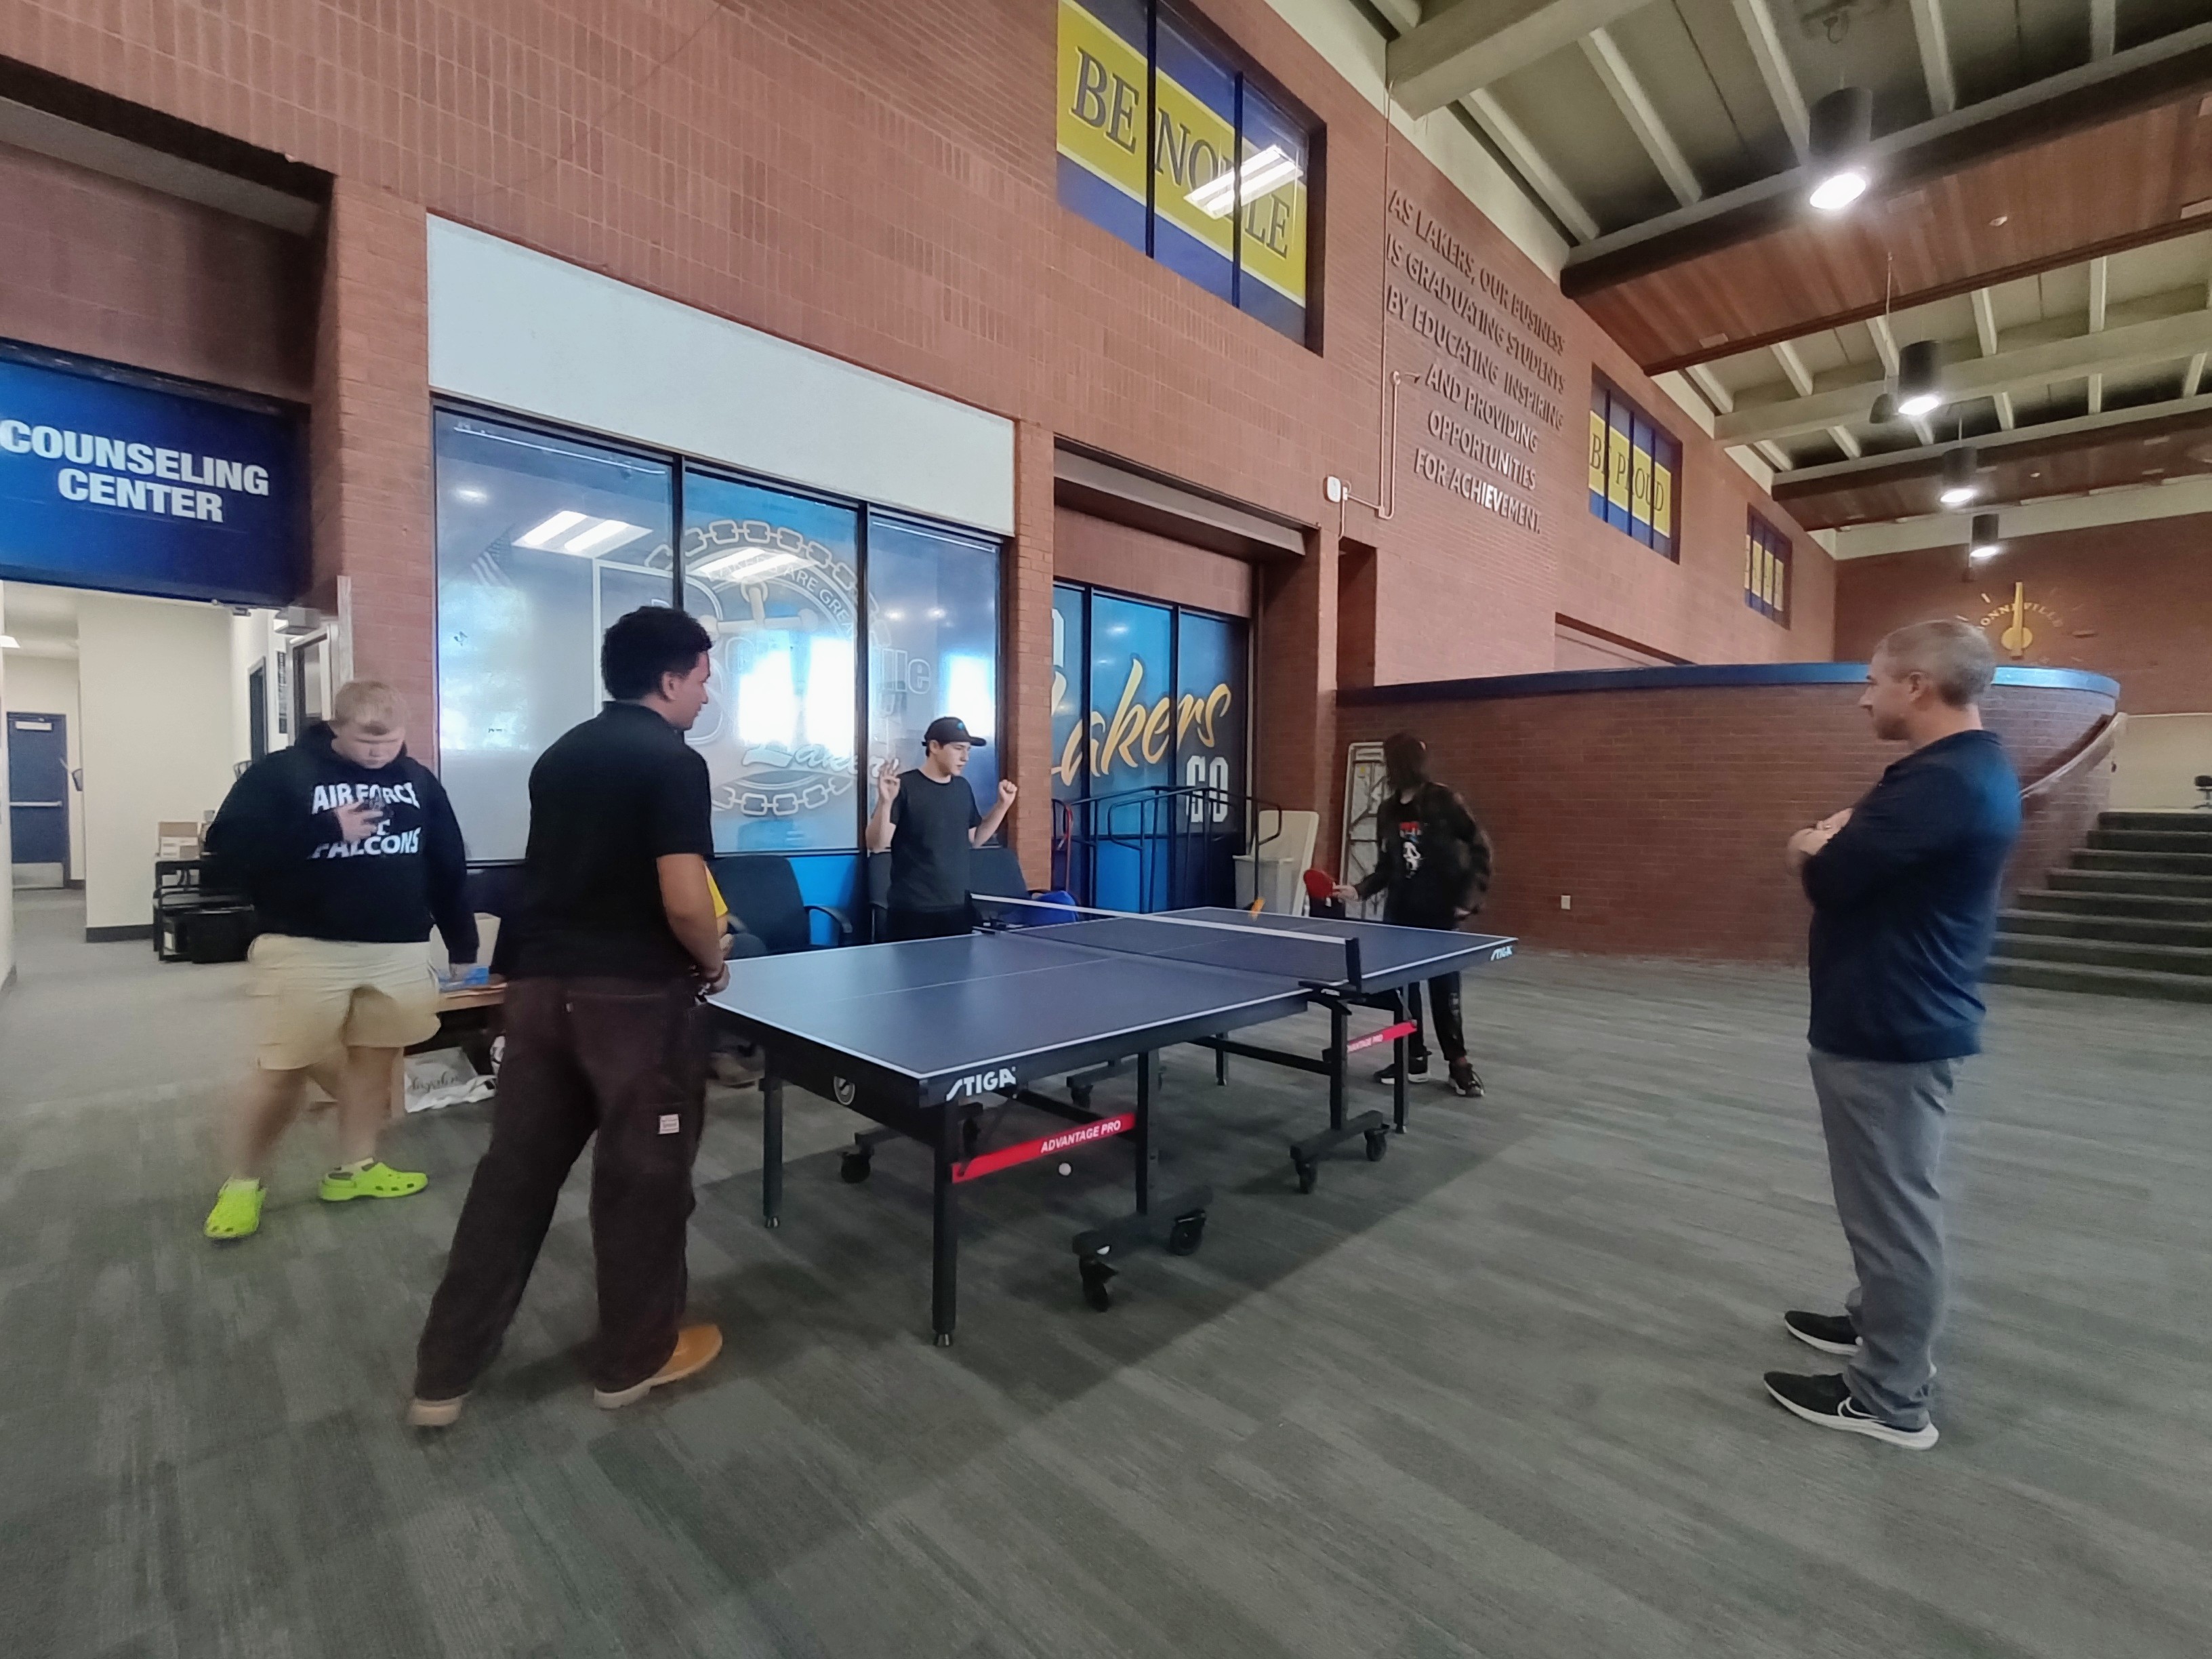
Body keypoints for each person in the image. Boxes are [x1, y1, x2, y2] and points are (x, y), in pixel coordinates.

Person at [409, 607, 729, 1427]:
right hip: (632, 1004)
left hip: (539, 995)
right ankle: (635, 1359)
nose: (707, 688)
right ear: (669, 678)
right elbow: (685, 897)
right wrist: (713, 957)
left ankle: (443, 1375)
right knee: (643, 1188)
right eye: (702, 673)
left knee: (511, 1179)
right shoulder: (671, 760)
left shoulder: (561, 754)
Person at [1765, 618, 2020, 1451]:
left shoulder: (1941, 782)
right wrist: (1842, 837)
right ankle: (1873, 1324)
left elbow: (1835, 874)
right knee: (1887, 1203)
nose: (1865, 695)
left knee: (1893, 1215)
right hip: (1894, 1017)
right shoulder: (1952, 772)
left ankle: (1889, 1395)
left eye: (1874, 680)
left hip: (1891, 1027)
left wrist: (1808, 843)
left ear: (1917, 685)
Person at [200, 680, 476, 1242]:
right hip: (306, 946)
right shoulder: (283, 774)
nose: (378, 753)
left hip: (396, 946)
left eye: (391, 741)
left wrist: (463, 945)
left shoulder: (419, 780)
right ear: (337, 726)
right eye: (363, 741)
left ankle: (356, 1169)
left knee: (375, 1065)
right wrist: (327, 827)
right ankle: (243, 1183)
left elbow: (447, 863)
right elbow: (226, 853)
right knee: (283, 1071)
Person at [1336, 731, 1491, 1099]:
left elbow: (1480, 847)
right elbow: (1388, 866)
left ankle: (1460, 1065)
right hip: (1401, 914)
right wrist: (1358, 890)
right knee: (1403, 993)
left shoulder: (1444, 801)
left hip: (1439, 913)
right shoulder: (1388, 812)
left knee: (1444, 990)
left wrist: (1469, 897)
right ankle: (1413, 1058)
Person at [865, 714, 1017, 941]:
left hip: (958, 909)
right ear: (934, 747)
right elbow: (877, 845)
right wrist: (885, 803)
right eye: (958, 749)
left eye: (968, 750)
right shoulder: (904, 786)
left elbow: (975, 839)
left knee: (958, 975)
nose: (965, 757)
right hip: (912, 912)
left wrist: (1002, 806)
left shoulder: (962, 788)